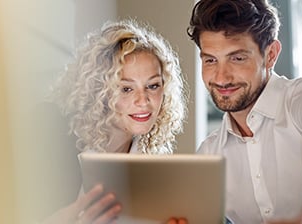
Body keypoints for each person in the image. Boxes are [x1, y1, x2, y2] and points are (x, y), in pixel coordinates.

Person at [185, 0, 302, 224]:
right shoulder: (208, 155)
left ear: (271, 54)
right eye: (210, 60)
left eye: (237, 58)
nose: (221, 77)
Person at [38, 19, 189, 224]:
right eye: (126, 88)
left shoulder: (153, 166)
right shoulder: (49, 132)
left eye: (153, 86)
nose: (143, 100)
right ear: (99, 90)